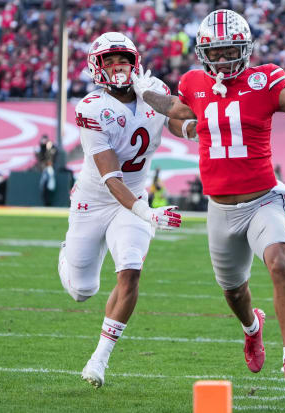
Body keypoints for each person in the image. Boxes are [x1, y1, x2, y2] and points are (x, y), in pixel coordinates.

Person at [132, 9, 285, 387]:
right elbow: (176, 113)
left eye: (230, 50)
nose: (223, 59)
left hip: (263, 199)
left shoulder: (266, 81)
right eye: (215, 52)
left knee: (279, 263)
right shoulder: (194, 83)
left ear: (245, 49)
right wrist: (144, 92)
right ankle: (252, 326)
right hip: (220, 208)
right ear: (203, 53)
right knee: (234, 292)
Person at [57, 32, 191, 389]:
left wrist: (188, 123)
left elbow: (181, 122)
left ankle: (98, 360)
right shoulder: (89, 107)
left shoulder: (152, 88)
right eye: (111, 61)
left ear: (136, 63)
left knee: (130, 271)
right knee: (82, 291)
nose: (119, 68)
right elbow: (110, 176)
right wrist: (148, 214)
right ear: (97, 67)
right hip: (95, 198)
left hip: (132, 198)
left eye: (124, 60)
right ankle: (68, 253)